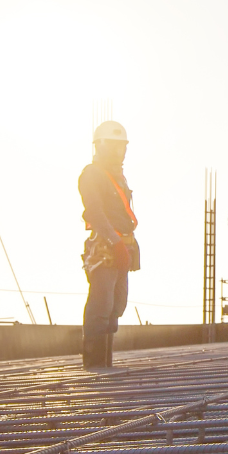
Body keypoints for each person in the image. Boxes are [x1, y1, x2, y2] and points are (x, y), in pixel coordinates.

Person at [79, 120, 139, 369]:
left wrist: (128, 245)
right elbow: (95, 211)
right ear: (101, 146)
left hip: (121, 245)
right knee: (101, 304)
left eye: (122, 147)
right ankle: (94, 365)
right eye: (115, 147)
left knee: (117, 304)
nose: (120, 152)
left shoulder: (120, 178)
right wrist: (115, 242)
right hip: (105, 247)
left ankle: (106, 363)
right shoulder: (91, 174)